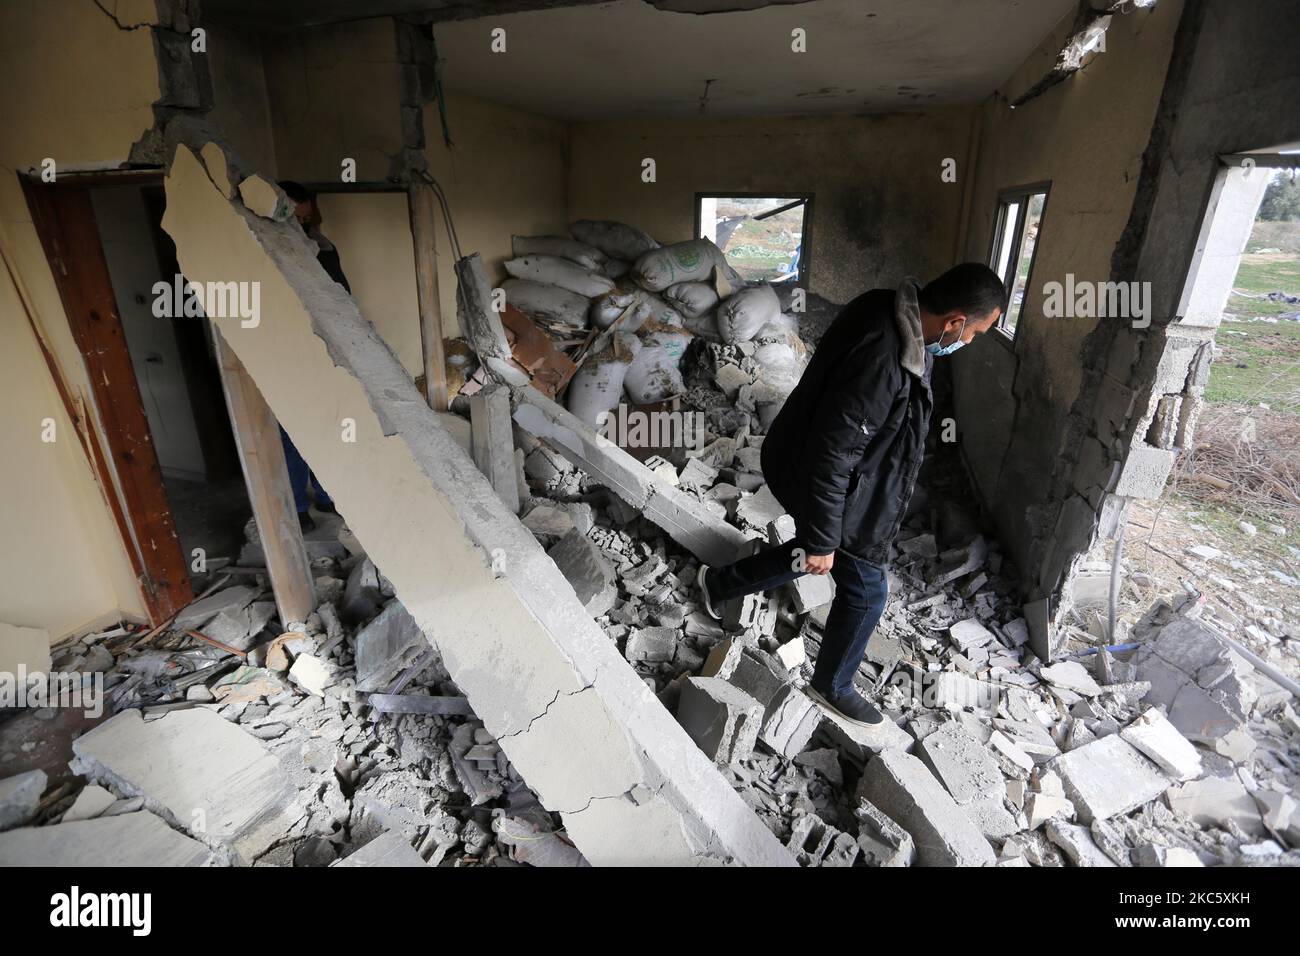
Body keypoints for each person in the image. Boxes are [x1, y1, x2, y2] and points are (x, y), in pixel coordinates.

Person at [696, 264, 1007, 728]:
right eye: (976, 333)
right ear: (955, 322)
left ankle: (719, 585)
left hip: (817, 460)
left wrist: (823, 541)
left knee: (821, 554)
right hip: (819, 471)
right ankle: (833, 685)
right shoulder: (883, 357)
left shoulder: (891, 308)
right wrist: (825, 535)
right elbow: (833, 451)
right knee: (866, 590)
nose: (970, 342)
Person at [276, 180, 351, 532]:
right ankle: (297, 506)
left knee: (326, 431)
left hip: (324, 352)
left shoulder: (320, 245)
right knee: (292, 436)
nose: (302, 223)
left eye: (306, 218)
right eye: (296, 216)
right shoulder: (267, 247)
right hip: (287, 358)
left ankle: (325, 494)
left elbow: (341, 293)